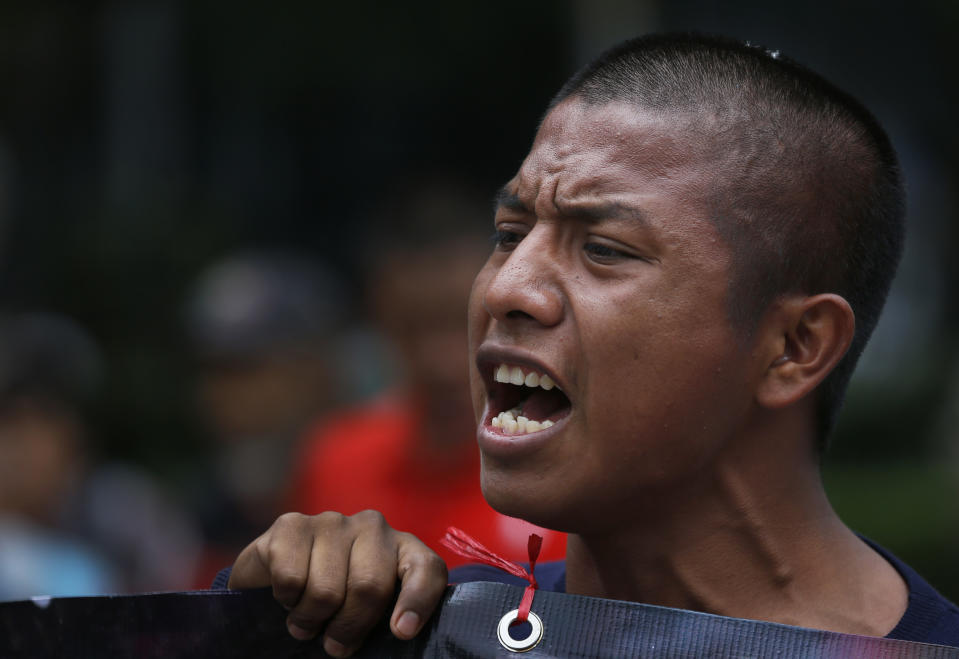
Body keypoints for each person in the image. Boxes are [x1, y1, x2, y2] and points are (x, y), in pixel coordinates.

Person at [221, 33, 959, 656]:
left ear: (795, 344)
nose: (507, 287)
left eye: (603, 249)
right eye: (508, 234)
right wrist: (252, 627)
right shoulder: (422, 631)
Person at [286, 178, 566, 567]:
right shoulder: (334, 460)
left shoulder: (566, 472)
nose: (439, 361)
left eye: (461, 324)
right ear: (379, 322)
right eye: (411, 328)